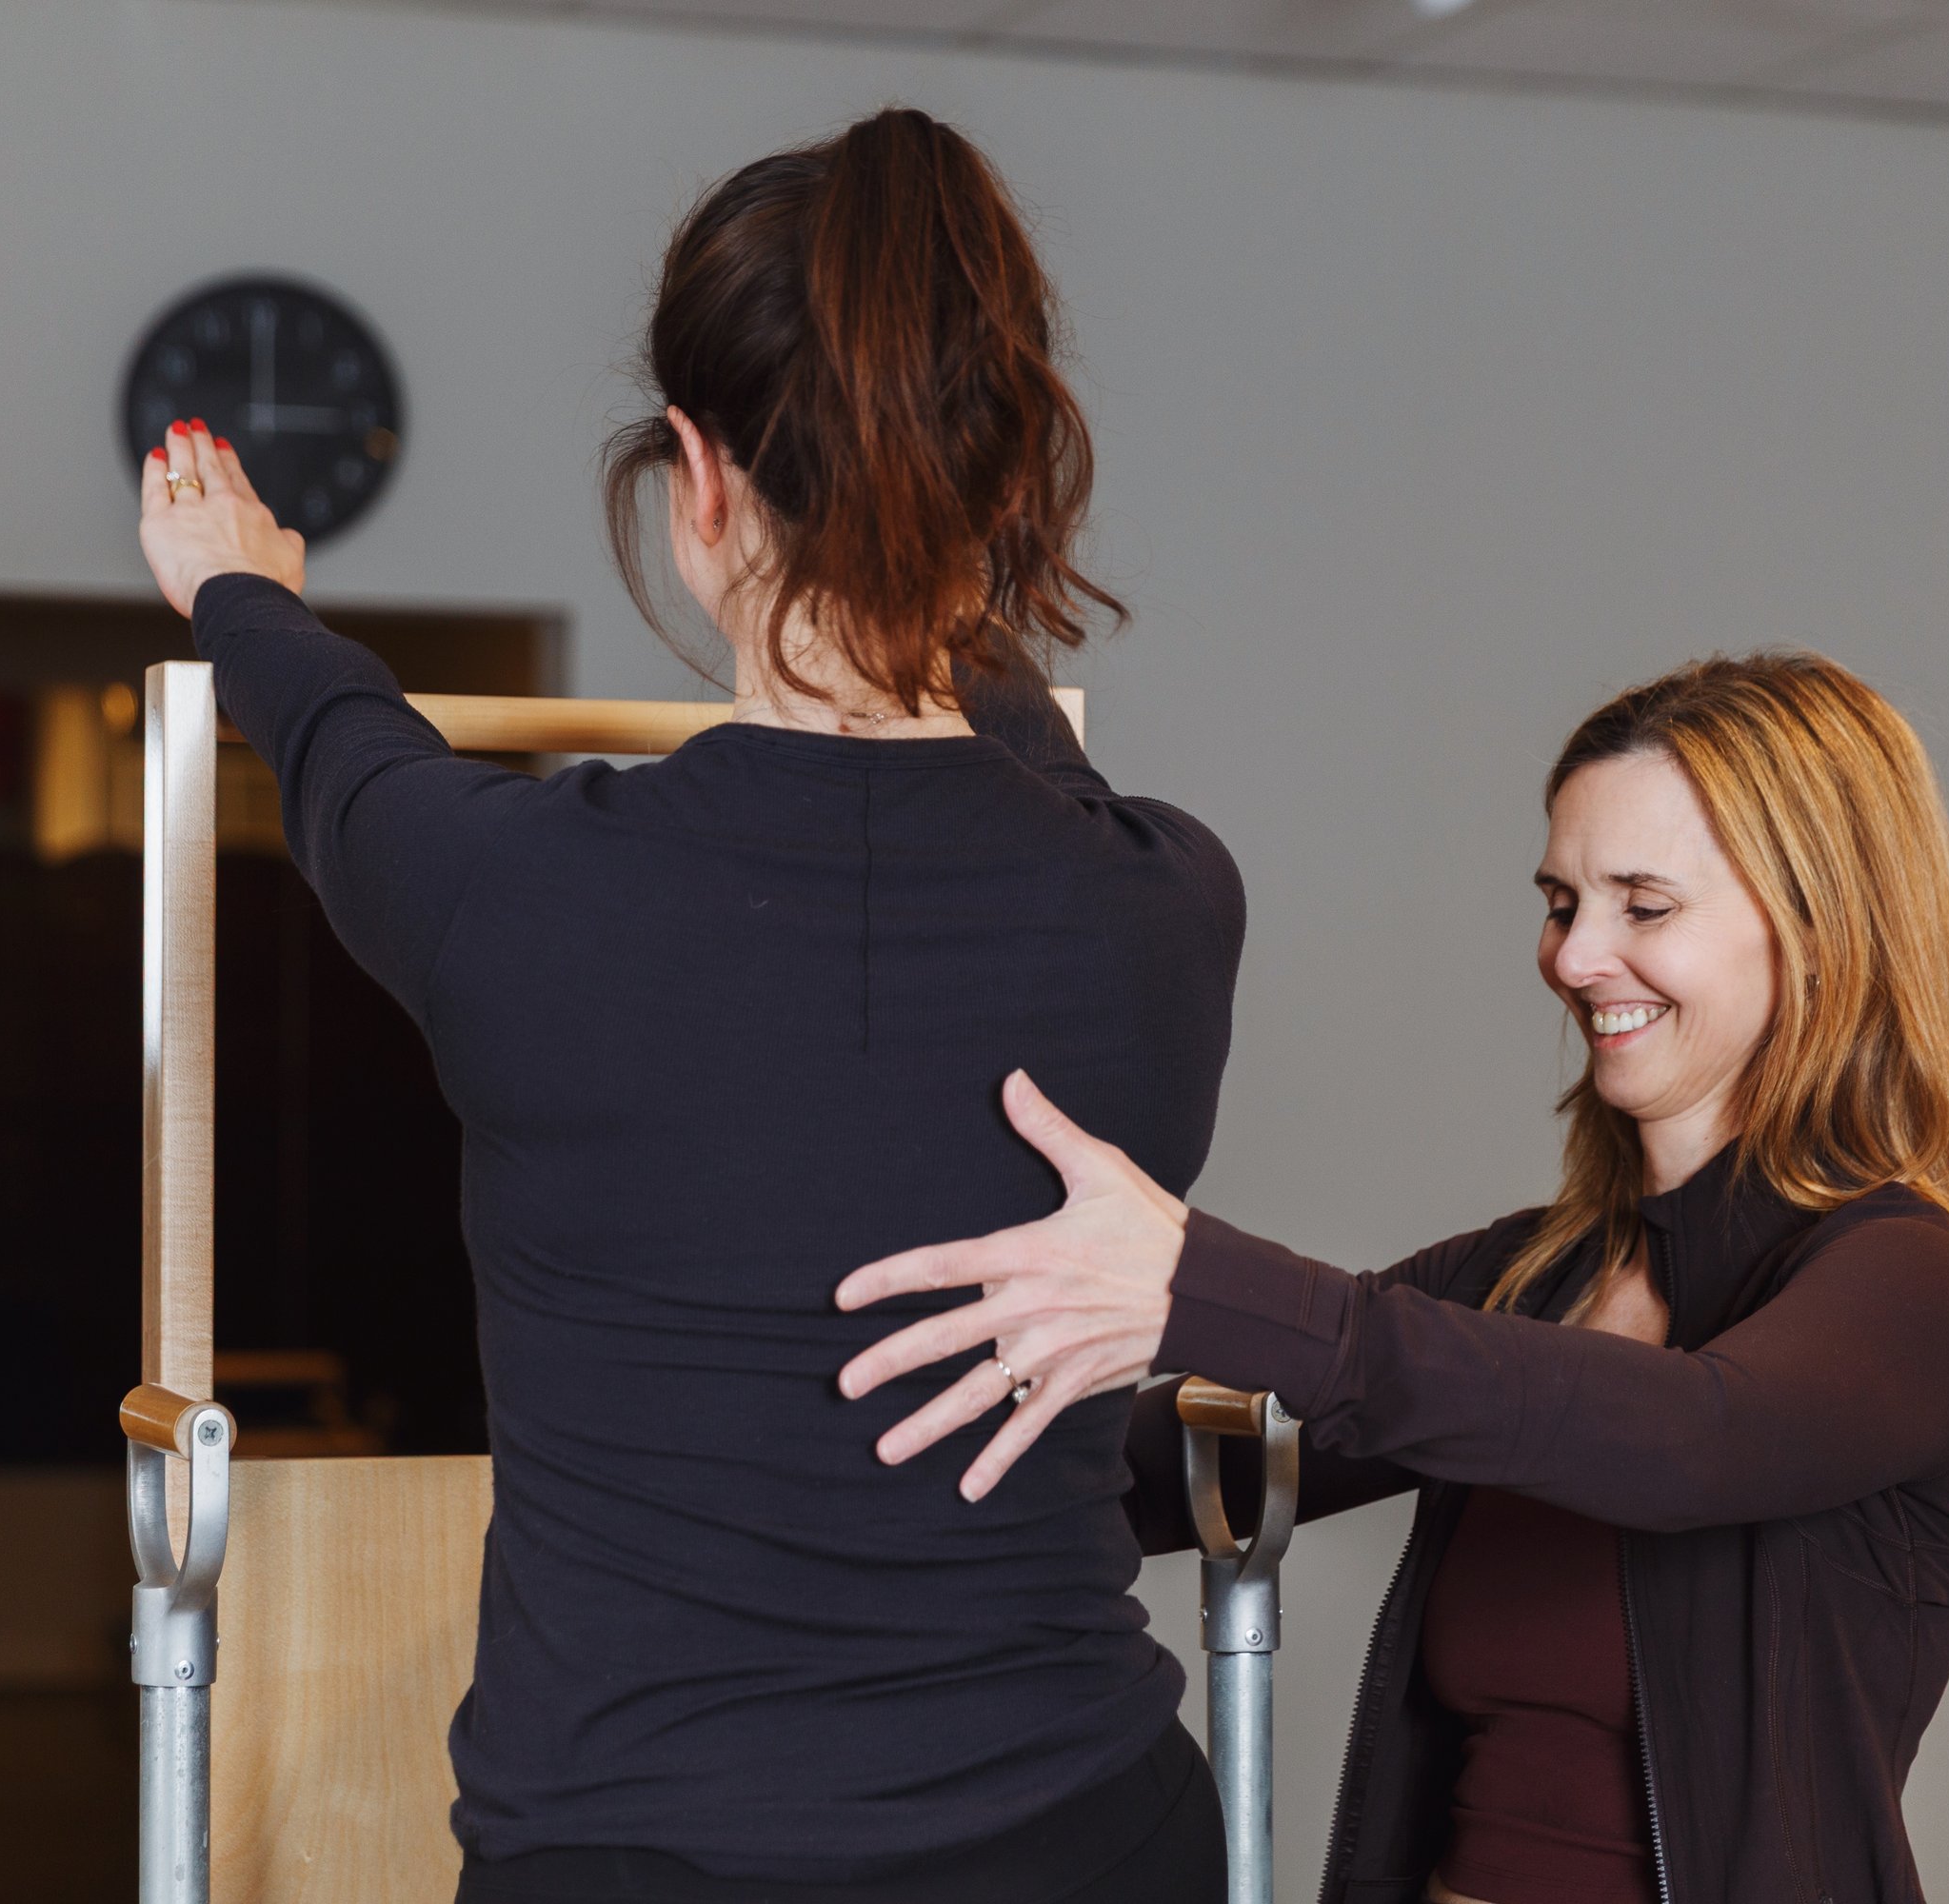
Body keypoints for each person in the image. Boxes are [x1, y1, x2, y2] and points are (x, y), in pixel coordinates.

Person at [135, 109, 1242, 1904]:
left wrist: (244, 589)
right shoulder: (1164, 909)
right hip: (1091, 1835)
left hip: (642, 1858)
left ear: (696, 480)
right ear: (1003, 482)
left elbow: (345, 754)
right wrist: (933, 564)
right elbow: (1016, 740)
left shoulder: (518, 894)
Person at [838, 653, 1949, 1904]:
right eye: (1565, 902)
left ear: (1820, 929)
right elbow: (1156, 1474)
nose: (1576, 959)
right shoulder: (1534, 1280)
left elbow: (1691, 1441)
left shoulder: (1918, 1294)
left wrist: (1197, 1278)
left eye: (1645, 905)